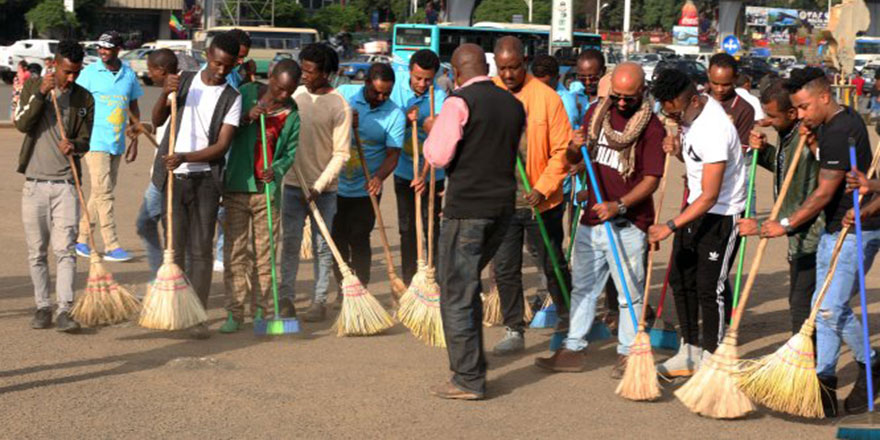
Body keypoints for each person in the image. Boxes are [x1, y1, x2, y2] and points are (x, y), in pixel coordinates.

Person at [760, 67, 880, 417]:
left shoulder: (840, 130)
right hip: (835, 228)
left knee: (829, 307)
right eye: (796, 109)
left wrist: (785, 224)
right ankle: (824, 383)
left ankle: (869, 362)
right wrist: (812, 143)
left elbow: (824, 192)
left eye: (805, 107)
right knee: (821, 307)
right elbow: (835, 172)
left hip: (858, 230)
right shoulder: (833, 123)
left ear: (825, 97)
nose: (801, 115)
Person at [534, 62, 665, 378]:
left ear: (642, 91)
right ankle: (574, 348)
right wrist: (574, 149)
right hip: (592, 222)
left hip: (628, 224)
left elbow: (651, 180)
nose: (621, 103)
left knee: (628, 295)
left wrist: (618, 205)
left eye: (628, 98)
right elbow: (573, 160)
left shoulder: (652, 127)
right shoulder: (595, 113)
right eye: (616, 96)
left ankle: (627, 354)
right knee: (583, 288)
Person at [423, 43, 526, 400]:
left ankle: (467, 378)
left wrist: (431, 128)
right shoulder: (513, 104)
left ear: (455, 72)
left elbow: (438, 156)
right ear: (487, 67)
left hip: (467, 209)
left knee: (457, 292)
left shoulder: (457, 103)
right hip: (502, 209)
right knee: (468, 286)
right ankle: (473, 366)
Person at [648, 68, 746, 378]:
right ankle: (688, 350)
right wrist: (678, 152)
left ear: (691, 100)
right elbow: (695, 163)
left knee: (709, 288)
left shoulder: (714, 128)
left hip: (720, 215)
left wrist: (670, 226)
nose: (670, 116)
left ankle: (712, 359)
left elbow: (710, 195)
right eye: (664, 109)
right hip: (696, 209)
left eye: (673, 109)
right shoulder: (689, 118)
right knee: (680, 279)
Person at [150, 31, 243, 339]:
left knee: (201, 251)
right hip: (173, 179)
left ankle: (198, 316)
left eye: (228, 66)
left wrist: (185, 156)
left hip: (206, 181)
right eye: (217, 63)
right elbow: (157, 120)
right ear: (207, 55)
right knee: (173, 249)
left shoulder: (233, 97)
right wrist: (165, 93)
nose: (221, 70)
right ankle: (175, 310)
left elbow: (221, 146)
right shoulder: (184, 80)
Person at [489, 36, 571, 356]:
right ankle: (514, 328)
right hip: (503, 201)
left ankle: (567, 320)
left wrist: (543, 187)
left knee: (553, 264)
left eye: (514, 67)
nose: (508, 74)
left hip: (543, 202)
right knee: (506, 268)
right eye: (502, 68)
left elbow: (563, 150)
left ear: (524, 62)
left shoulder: (547, 98)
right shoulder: (489, 93)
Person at [14, 40, 93, 333]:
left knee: (66, 250)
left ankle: (64, 309)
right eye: (66, 71)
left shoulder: (84, 99)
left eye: (76, 72)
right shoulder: (34, 86)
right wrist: (42, 96)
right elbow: (22, 124)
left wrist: (74, 145)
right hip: (34, 184)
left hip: (66, 185)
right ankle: (42, 306)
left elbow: (86, 139)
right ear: (54, 65)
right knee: (37, 252)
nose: (71, 78)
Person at [219, 59, 301, 333]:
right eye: (279, 88)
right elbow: (223, 133)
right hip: (236, 187)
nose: (283, 96)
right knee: (236, 253)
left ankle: (261, 311)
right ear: (272, 78)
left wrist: (275, 170)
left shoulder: (292, 112)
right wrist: (246, 118)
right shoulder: (245, 94)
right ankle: (234, 311)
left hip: (266, 193)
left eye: (289, 91)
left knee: (265, 257)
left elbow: (289, 153)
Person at [737, 79, 823, 334]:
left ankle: (815, 364)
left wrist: (761, 226)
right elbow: (784, 170)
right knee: (800, 303)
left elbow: (801, 197)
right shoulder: (787, 137)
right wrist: (764, 151)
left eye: (772, 116)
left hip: (812, 238)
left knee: (803, 305)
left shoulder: (803, 142)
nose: (767, 120)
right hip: (798, 237)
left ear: (792, 113)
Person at [279, 43, 351, 322]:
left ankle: (318, 300)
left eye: (310, 71)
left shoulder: (339, 106)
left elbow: (341, 153)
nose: (304, 75)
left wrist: (319, 185)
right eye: (303, 69)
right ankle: (286, 298)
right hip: (293, 184)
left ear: (327, 74)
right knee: (290, 243)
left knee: (323, 248)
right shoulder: (294, 96)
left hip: (324, 191)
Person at [334, 64, 404, 293]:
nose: (381, 97)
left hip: (367, 189)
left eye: (387, 93)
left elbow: (393, 155)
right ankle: (343, 287)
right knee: (337, 240)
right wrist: (345, 120)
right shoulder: (344, 95)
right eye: (377, 92)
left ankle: (361, 287)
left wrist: (379, 177)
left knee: (359, 237)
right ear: (365, 84)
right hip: (335, 185)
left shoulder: (394, 114)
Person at [74, 31, 143, 262]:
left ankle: (82, 239)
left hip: (117, 141)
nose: (103, 52)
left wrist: (135, 139)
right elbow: (75, 104)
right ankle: (111, 245)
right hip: (94, 141)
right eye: (100, 48)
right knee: (105, 194)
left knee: (101, 192)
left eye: (108, 48)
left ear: (118, 49)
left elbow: (133, 108)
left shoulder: (128, 75)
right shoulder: (90, 73)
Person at [389, 49, 446, 285]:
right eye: (418, 78)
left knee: (431, 227)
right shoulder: (395, 90)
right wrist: (404, 118)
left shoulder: (441, 97)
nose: (422, 84)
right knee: (406, 229)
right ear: (409, 72)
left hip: (433, 173)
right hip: (404, 171)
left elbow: (440, 140)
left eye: (428, 80)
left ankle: (435, 278)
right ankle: (410, 281)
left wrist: (424, 175)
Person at [213, 28, 257, 273]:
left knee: (228, 202)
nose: (240, 61)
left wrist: (249, 75)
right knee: (215, 202)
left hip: (233, 148)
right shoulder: (219, 74)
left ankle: (222, 252)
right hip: (216, 146)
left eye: (243, 57)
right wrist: (245, 117)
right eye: (238, 56)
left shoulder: (237, 75)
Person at [133, 49, 178, 277]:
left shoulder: (177, 94)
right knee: (146, 223)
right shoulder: (167, 93)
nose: (149, 74)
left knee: (167, 229)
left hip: (171, 174)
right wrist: (145, 128)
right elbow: (162, 127)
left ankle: (165, 279)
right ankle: (160, 275)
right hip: (159, 173)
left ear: (161, 70)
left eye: (151, 69)